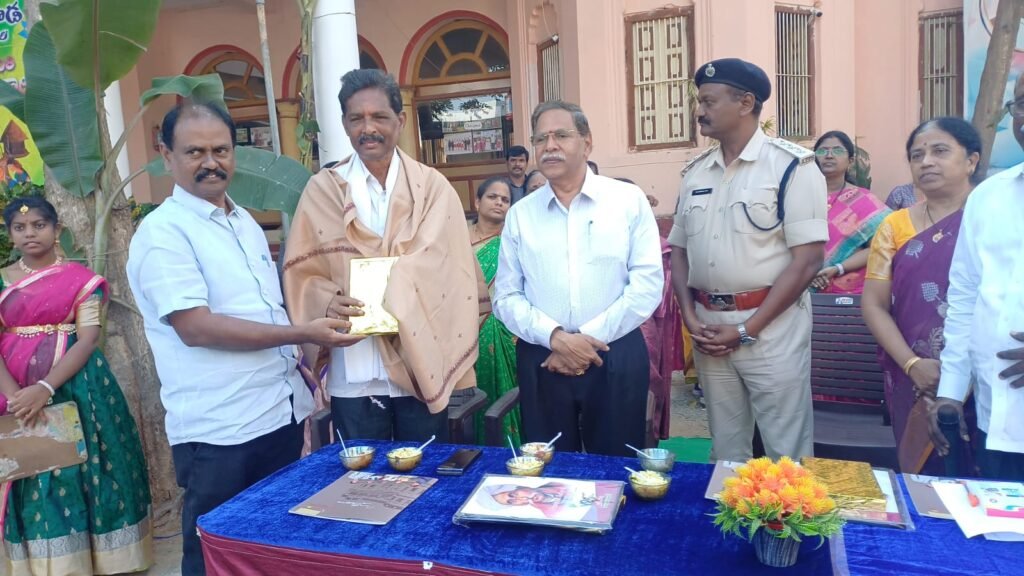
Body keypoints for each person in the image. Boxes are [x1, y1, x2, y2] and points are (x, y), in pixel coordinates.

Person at [127, 101, 360, 576]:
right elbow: (196, 327)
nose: (211, 162)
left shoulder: (244, 222)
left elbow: (266, 309)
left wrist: (321, 321)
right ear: (166, 154)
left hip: (277, 414)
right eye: (195, 152)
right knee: (215, 556)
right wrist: (302, 330)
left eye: (221, 150)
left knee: (270, 551)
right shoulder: (162, 233)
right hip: (220, 432)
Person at [282, 69, 483, 444]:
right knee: (362, 484)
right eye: (357, 118)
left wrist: (398, 284)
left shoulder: (433, 188)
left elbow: (450, 269)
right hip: (354, 368)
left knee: (425, 475)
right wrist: (327, 301)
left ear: (400, 120)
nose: (368, 128)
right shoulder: (323, 190)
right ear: (344, 124)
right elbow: (303, 272)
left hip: (421, 361)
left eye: (379, 117)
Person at [668, 58, 827, 461]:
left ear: (745, 103)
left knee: (785, 451)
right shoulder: (696, 172)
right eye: (698, 101)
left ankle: (788, 526)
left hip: (772, 328)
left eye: (708, 101)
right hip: (709, 328)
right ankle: (727, 526)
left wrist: (747, 329)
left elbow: (807, 261)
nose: (698, 111)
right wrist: (690, 317)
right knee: (726, 450)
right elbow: (681, 253)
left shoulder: (793, 166)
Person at [493, 100, 663, 457]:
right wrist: (556, 338)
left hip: (614, 353)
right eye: (541, 139)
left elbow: (646, 286)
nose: (550, 145)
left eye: (561, 135)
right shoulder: (521, 215)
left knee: (616, 468)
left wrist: (586, 342)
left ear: (587, 143)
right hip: (543, 357)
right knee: (550, 470)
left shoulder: (627, 201)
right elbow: (506, 297)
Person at [0, 197, 152, 575]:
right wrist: (14, 397)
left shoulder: (81, 280)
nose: (30, 233)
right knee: (29, 468)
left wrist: (45, 389)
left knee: (86, 466)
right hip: (12, 391)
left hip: (79, 388)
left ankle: (99, 559)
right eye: (20, 228)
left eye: (39, 225)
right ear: (9, 235)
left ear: (57, 230)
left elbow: (87, 339)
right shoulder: (2, 279)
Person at [862, 117, 981, 475]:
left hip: (988, 374)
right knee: (925, 483)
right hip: (913, 377)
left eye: (940, 151)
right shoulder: (894, 225)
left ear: (971, 160)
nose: (926, 161)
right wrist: (913, 365)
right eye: (917, 155)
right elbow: (874, 304)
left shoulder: (996, 216)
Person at [931, 76, 1024, 481]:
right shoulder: (989, 196)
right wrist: (951, 391)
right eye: (1020, 103)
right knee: (1000, 540)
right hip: (996, 413)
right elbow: (965, 296)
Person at [468, 176, 521, 445]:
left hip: (501, 331)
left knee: (504, 395)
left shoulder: (512, 243)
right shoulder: (457, 239)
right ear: (477, 202)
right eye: (492, 197)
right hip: (460, 330)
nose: (499, 202)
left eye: (505, 199)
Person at [809, 130, 890, 294]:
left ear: (850, 161)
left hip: (851, 292)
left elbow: (879, 247)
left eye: (837, 150)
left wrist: (837, 268)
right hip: (800, 288)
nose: (829, 155)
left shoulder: (864, 200)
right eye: (822, 151)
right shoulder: (798, 196)